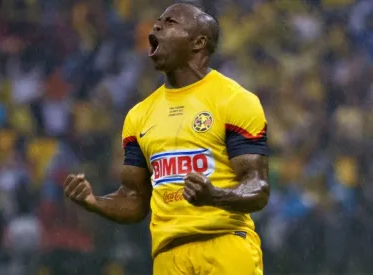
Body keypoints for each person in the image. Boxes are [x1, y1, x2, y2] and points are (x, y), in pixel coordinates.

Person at [63, 1, 269, 274]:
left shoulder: (235, 100)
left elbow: (258, 186)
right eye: (158, 21)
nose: (156, 25)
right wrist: (94, 202)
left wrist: (215, 196)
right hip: (167, 257)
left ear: (198, 43)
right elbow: (135, 199)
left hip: (225, 244)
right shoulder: (139, 116)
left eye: (170, 22)